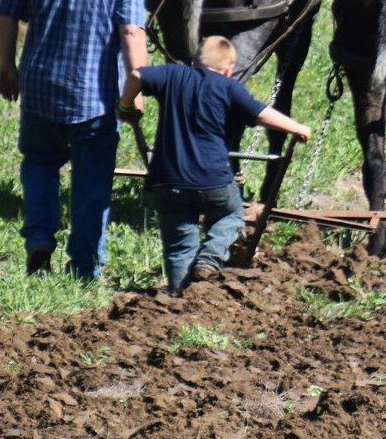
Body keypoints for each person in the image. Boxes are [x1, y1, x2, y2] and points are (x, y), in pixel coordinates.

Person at [0, 0, 148, 279]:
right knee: (91, 178)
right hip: (93, 100)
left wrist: (5, 66)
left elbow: (6, 15)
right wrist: (137, 89)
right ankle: (84, 265)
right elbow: (131, 33)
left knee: (41, 163)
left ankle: (40, 238)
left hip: (39, 92)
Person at [119, 35, 311, 291]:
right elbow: (261, 113)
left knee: (179, 244)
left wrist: (125, 105)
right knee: (231, 215)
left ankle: (179, 296)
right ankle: (209, 259)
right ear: (229, 69)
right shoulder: (228, 87)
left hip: (168, 180)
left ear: (194, 60)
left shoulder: (173, 75)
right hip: (213, 179)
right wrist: (298, 128)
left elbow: (137, 75)